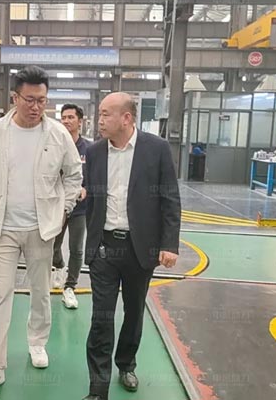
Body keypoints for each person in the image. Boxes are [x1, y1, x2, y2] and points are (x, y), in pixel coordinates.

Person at [0, 66, 83, 394]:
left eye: (42, 100)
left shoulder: (57, 134)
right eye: (29, 100)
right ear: (15, 98)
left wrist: (64, 209)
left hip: (41, 229)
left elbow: (74, 174)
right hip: (2, 227)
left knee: (41, 292)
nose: (36, 107)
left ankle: (37, 342)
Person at [82, 92, 181, 400]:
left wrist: (169, 244)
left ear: (126, 118)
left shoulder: (157, 149)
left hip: (141, 249)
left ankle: (126, 363)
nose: (99, 120)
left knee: (134, 311)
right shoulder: (95, 152)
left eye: (105, 114)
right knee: (101, 317)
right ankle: (98, 389)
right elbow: (92, 198)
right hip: (104, 248)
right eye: (99, 113)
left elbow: (170, 199)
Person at [51, 103, 92, 309]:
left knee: (76, 248)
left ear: (80, 121)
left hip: (79, 209)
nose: (66, 121)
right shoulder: (54, 146)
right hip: (56, 207)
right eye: (64, 117)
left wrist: (86, 189)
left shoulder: (89, 149)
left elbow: (96, 176)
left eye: (71, 117)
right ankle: (58, 266)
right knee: (52, 246)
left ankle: (70, 287)